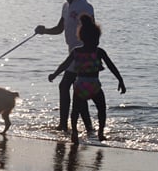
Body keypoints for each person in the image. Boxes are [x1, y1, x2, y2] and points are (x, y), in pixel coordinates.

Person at [48, 14, 126, 144]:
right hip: (94, 86)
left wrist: (55, 74)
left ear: (81, 37)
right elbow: (111, 66)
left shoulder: (76, 51)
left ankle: (74, 133)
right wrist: (120, 80)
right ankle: (101, 132)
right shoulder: (99, 51)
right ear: (96, 39)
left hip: (80, 85)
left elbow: (65, 65)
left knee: (75, 111)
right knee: (101, 108)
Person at [35, 0, 95, 133]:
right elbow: (60, 28)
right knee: (77, 91)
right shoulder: (66, 6)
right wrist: (44, 31)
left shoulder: (84, 6)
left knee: (65, 86)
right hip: (72, 53)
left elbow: (92, 31)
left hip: (83, 54)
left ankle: (64, 125)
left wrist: (88, 52)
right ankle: (88, 127)